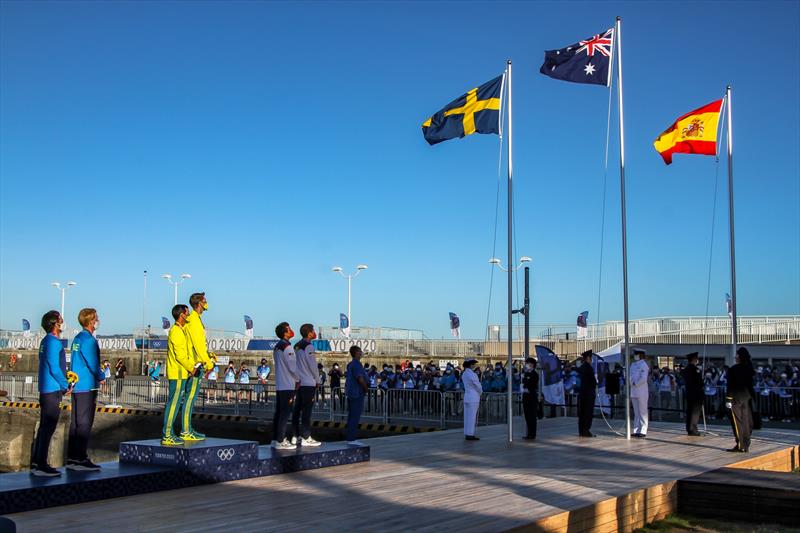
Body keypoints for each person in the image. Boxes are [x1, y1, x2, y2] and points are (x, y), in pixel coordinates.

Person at [31, 310, 71, 477]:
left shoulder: (45, 341)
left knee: (44, 427)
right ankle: (41, 464)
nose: (63, 322)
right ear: (55, 324)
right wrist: (65, 385)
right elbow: (55, 367)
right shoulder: (54, 343)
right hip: (52, 389)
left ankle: (36, 461)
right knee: (48, 426)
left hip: (46, 388)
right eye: (60, 320)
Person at [67, 308, 106, 470]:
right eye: (96, 318)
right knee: (84, 423)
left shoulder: (77, 338)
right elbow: (92, 362)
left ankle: (72, 457)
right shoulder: (89, 340)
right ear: (91, 321)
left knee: (75, 422)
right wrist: (102, 376)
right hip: (87, 386)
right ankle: (80, 458)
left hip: (77, 385)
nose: (98, 320)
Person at [182, 292, 216, 441]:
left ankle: (187, 429)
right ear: (199, 303)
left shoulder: (196, 319)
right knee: (190, 398)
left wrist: (208, 356)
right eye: (205, 300)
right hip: (196, 365)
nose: (207, 302)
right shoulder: (194, 320)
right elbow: (198, 345)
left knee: (190, 398)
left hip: (196, 362)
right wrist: (208, 362)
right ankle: (186, 430)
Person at [161, 304, 196, 446]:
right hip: (178, 373)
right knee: (173, 404)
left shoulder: (181, 330)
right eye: (187, 313)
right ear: (181, 315)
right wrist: (191, 367)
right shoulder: (176, 331)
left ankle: (169, 433)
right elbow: (180, 355)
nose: (188, 316)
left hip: (181, 373)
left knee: (175, 404)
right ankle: (167, 434)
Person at [291, 324, 321, 446]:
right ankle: (306, 437)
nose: (314, 333)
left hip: (299, 382)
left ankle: (295, 435)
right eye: (313, 331)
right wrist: (318, 380)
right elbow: (313, 365)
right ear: (309, 333)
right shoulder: (309, 346)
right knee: (307, 411)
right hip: (308, 382)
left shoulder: (296, 346)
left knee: (297, 410)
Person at [271, 322, 299, 449]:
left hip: (280, 384)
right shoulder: (287, 346)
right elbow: (292, 366)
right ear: (285, 332)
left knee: (279, 412)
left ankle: (275, 438)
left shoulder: (277, 347)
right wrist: (298, 379)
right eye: (288, 329)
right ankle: (281, 440)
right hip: (288, 384)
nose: (291, 331)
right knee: (285, 413)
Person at [726, 347, 755, 453]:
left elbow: (730, 386)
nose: (735, 356)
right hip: (746, 398)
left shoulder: (733, 369)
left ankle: (740, 444)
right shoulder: (749, 368)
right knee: (746, 422)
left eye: (737, 354)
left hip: (735, 398)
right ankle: (746, 444)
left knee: (737, 423)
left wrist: (728, 399)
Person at [344, 345, 368, 445]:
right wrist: (365, 388)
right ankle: (351, 439)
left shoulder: (351, 364)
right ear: (356, 353)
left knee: (351, 416)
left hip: (351, 393)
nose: (361, 352)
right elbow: (360, 378)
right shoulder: (356, 364)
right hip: (357, 393)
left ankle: (350, 437)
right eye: (359, 351)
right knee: (355, 416)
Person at [680, 352, 704, 436]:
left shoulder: (686, 369)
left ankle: (689, 428)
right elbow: (700, 383)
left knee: (689, 411)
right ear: (694, 359)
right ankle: (693, 429)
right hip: (696, 394)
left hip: (689, 393)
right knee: (695, 412)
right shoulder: (695, 370)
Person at [629, 348, 650, 438]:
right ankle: (636, 430)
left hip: (641, 391)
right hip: (633, 391)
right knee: (636, 412)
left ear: (640, 355)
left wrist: (635, 383)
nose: (635, 356)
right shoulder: (632, 365)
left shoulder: (644, 365)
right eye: (635, 354)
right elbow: (629, 375)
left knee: (643, 411)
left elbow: (643, 378)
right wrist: (631, 382)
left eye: (636, 354)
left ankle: (643, 430)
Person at [577, 350, 597, 437]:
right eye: (590, 358)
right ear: (588, 358)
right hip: (588, 393)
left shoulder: (581, 367)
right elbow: (592, 382)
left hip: (582, 393)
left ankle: (581, 430)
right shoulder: (589, 368)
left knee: (582, 413)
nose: (591, 360)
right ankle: (586, 430)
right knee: (588, 413)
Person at [521, 357, 539, 440]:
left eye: (528, 363)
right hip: (526, 396)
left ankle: (532, 434)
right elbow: (524, 383)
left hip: (531, 396)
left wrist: (526, 385)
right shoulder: (526, 373)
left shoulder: (534, 374)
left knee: (532, 416)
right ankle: (529, 434)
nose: (527, 365)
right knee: (527, 416)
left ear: (532, 365)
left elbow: (531, 384)